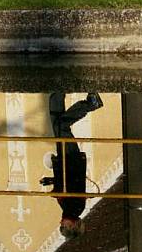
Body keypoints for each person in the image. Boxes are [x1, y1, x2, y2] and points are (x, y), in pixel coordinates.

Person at [40, 92, 103, 239]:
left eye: (61, 226)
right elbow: (71, 182)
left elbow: (63, 184)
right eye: (65, 226)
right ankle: (91, 105)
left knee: (56, 121)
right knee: (62, 126)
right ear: (74, 224)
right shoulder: (76, 209)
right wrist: (55, 184)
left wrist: (51, 181)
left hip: (65, 161)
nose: (61, 222)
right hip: (71, 160)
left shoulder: (67, 209)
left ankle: (58, 93)